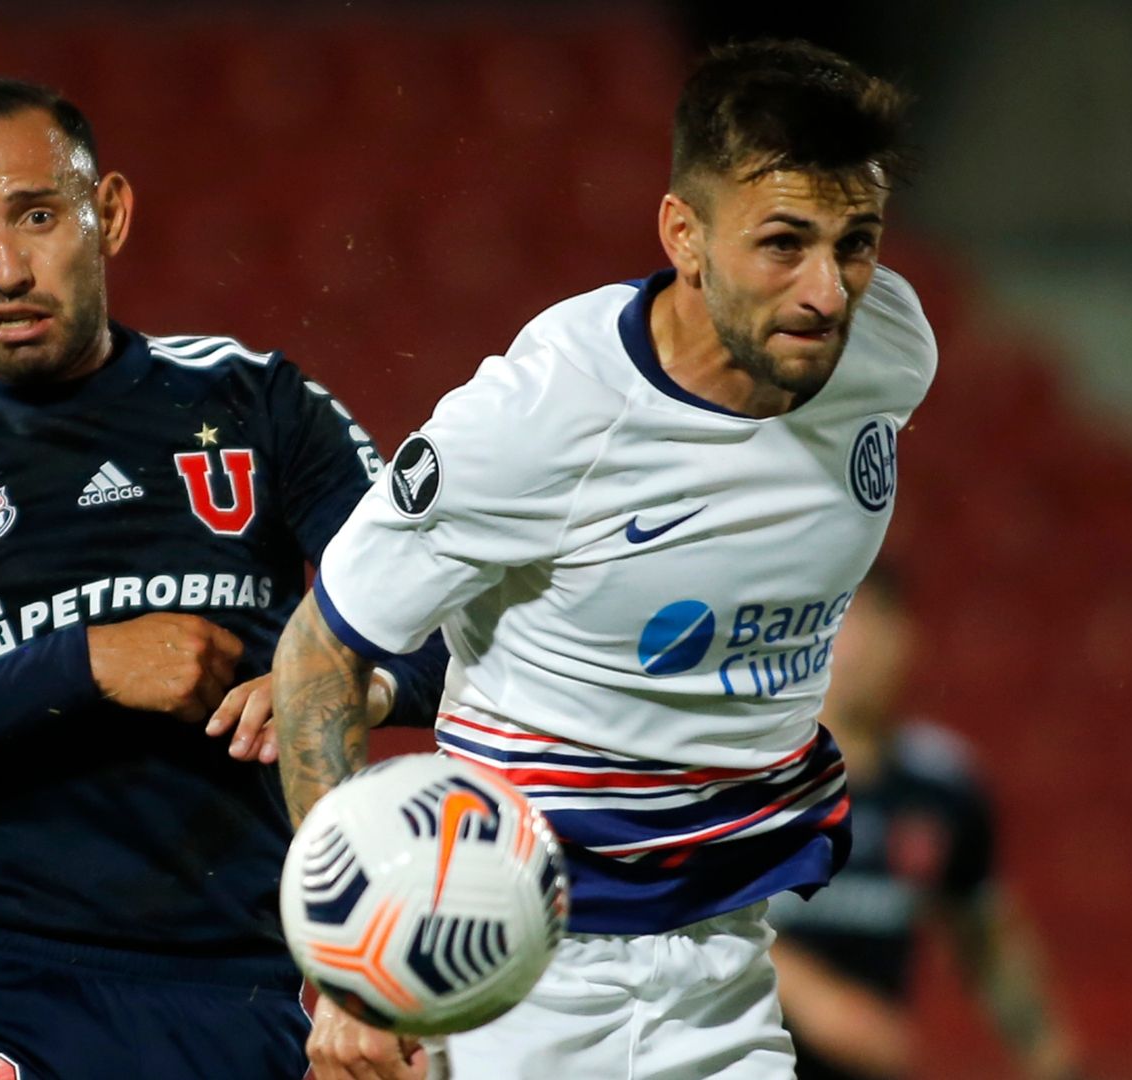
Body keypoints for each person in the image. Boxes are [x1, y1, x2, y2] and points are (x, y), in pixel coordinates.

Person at [273, 39, 935, 1080]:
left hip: (726, 962)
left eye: (857, 242)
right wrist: (351, 973)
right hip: (505, 965)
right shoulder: (544, 418)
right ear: (684, 234)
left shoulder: (890, 350)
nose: (828, 291)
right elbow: (317, 652)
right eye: (783, 243)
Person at [0, 77, 443, 1080]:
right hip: (0, 992)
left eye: (37, 216)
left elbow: (440, 638)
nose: (5, 267)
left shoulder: (259, 404)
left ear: (110, 214)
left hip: (242, 990)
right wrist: (83, 664)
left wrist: (329, 679)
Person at [767, 566, 1081, 1080]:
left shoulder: (943, 788)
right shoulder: (752, 777)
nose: (864, 647)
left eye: (883, 621)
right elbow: (683, 912)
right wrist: (816, 1000)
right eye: (846, 624)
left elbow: (985, 937)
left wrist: (1051, 1056)